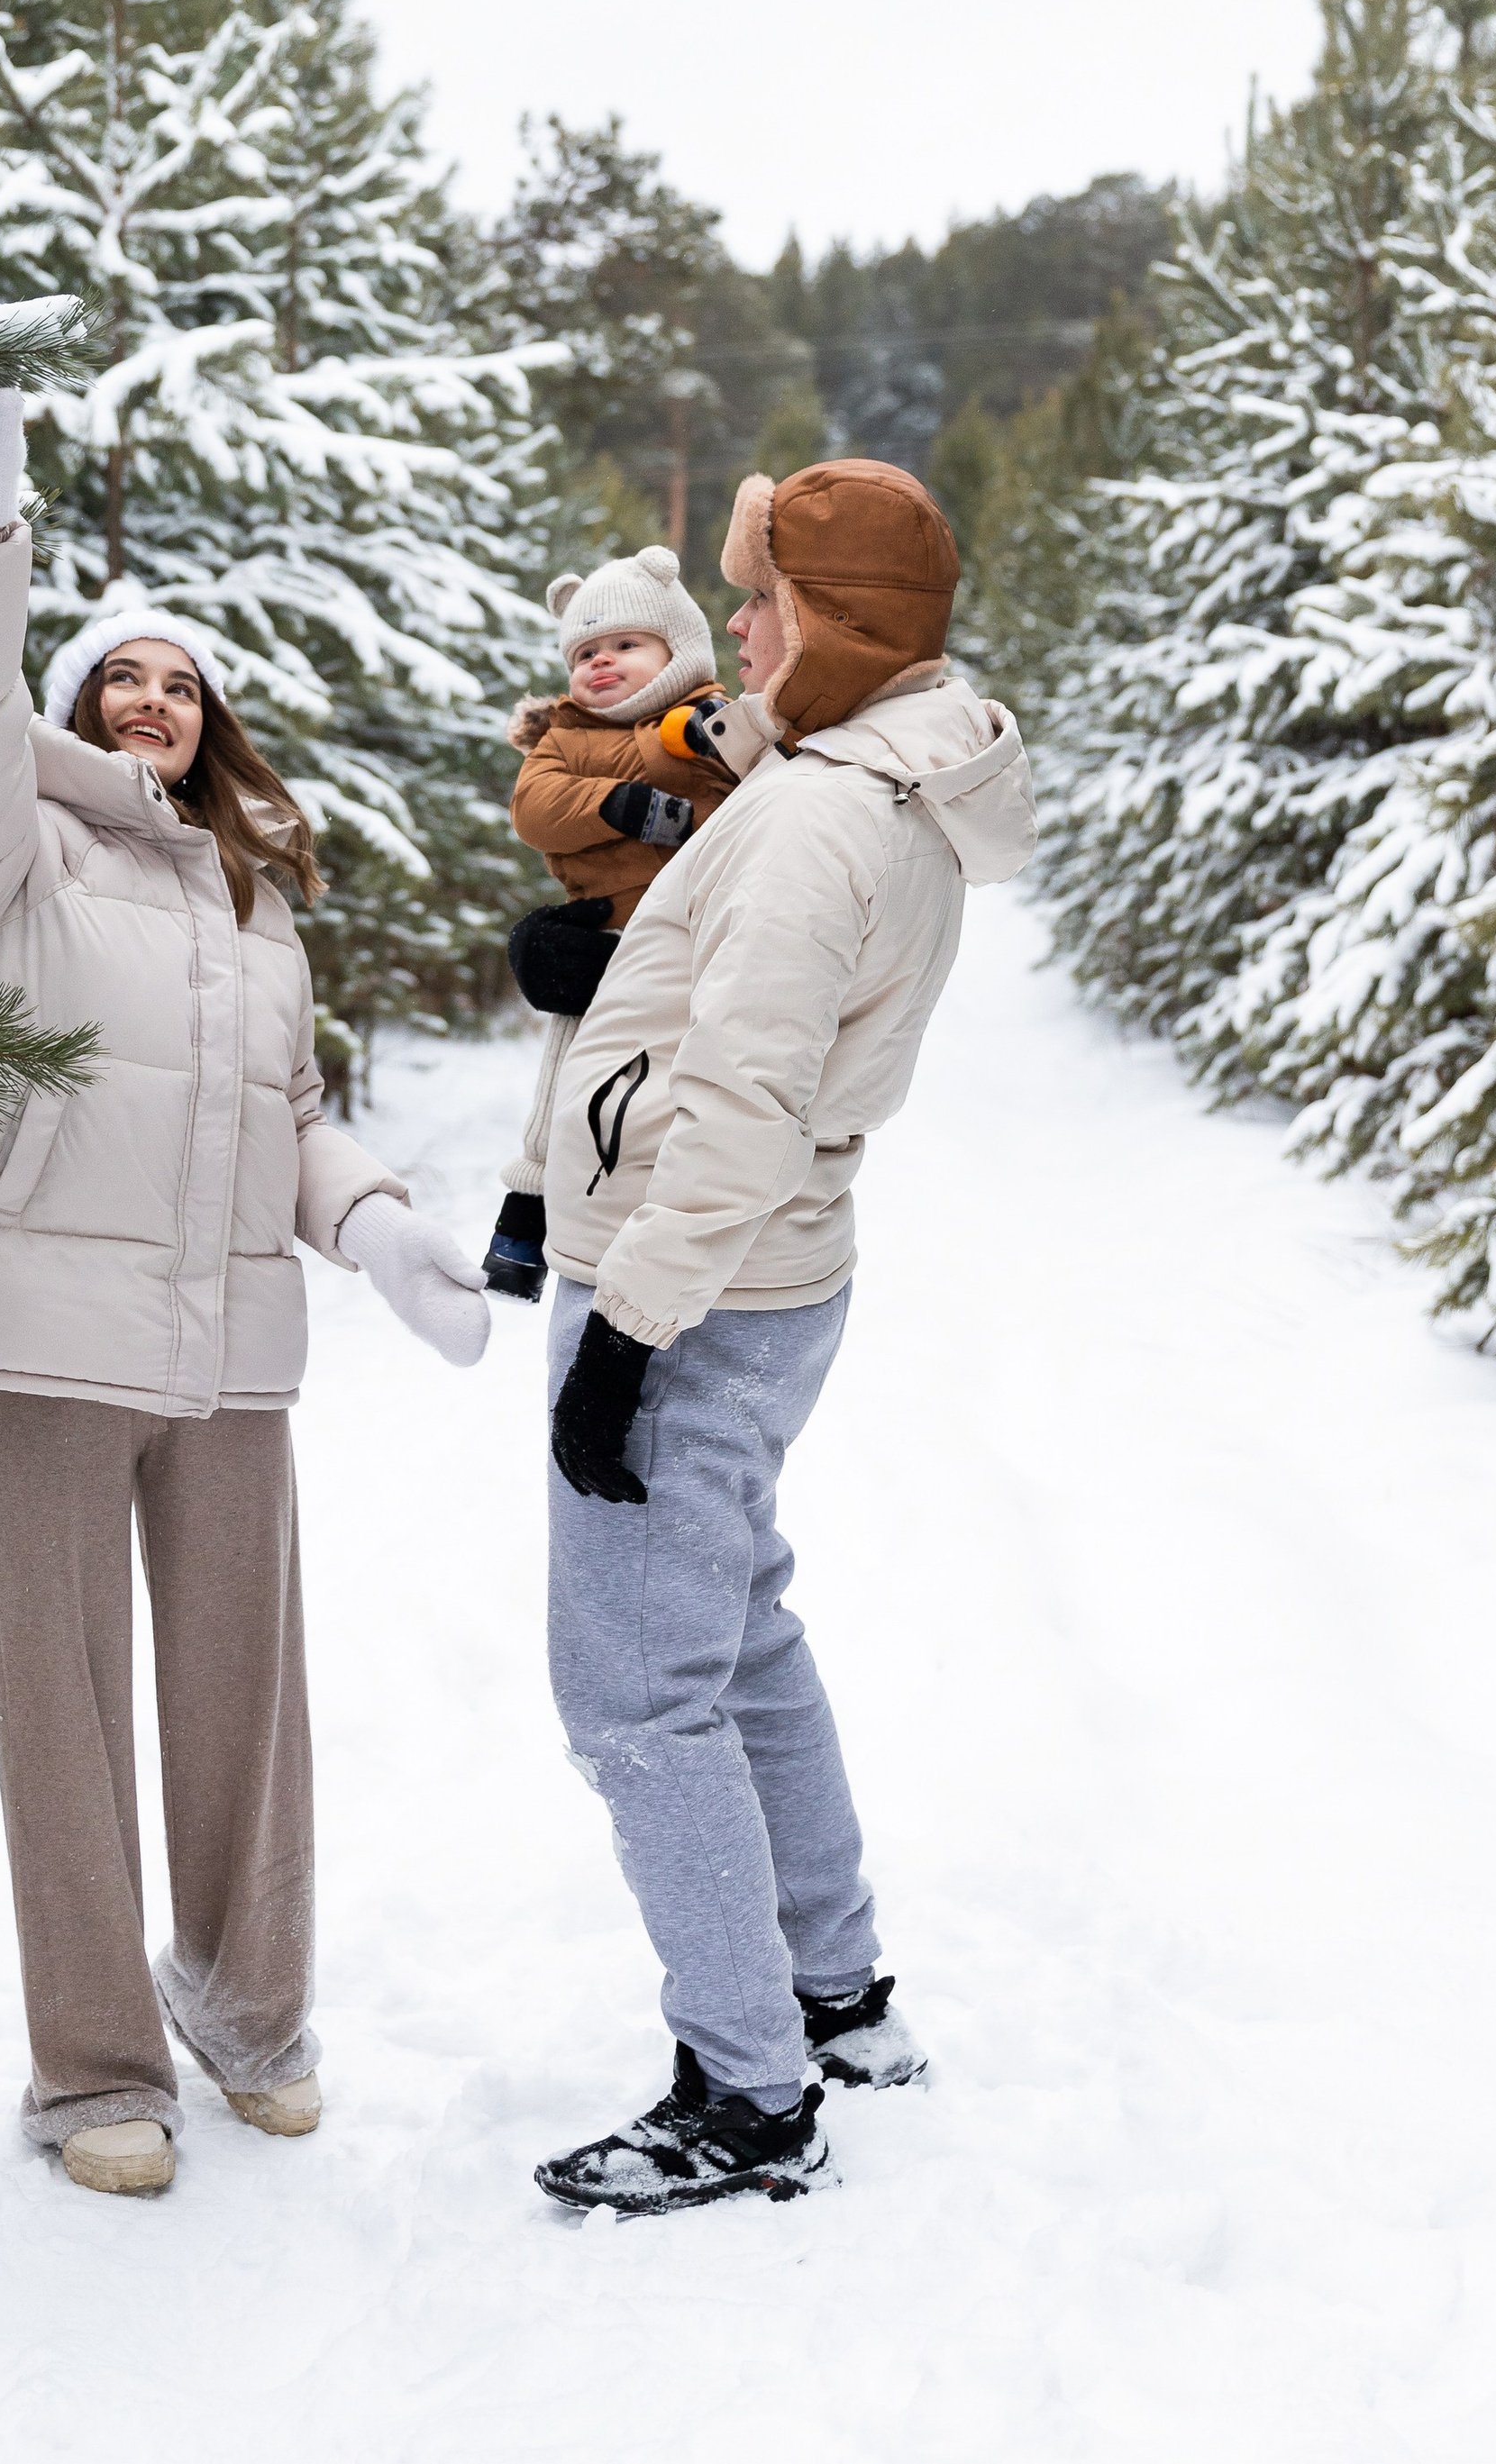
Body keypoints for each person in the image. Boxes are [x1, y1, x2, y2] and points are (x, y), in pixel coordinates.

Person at [0, 387, 488, 2203]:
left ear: (208, 717)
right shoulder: (14, 861)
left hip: (231, 1348)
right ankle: (93, 2070)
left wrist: (375, 1224)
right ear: (73, 711)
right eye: (116, 681)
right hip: (55, 1333)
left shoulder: (250, 901)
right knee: (61, 1702)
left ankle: (245, 2010)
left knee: (248, 1691)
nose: (148, 701)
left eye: (176, 683)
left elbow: (280, 1121)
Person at [529, 459, 1035, 2217]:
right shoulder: (855, 775)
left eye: (758, 604)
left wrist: (624, 1336)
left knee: (636, 1694)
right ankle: (832, 1989)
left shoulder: (827, 817)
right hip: (770, 1276)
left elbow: (737, 1103)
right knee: (733, 1629)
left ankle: (745, 2090)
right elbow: (721, 954)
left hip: (694, 1284)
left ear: (831, 620)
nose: (729, 631)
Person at [482, 546, 739, 1300]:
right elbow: (535, 809)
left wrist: (675, 740)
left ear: (678, 649)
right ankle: (524, 1219)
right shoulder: (561, 735)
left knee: (668, 1092)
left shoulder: (704, 721)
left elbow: (740, 779)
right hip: (597, 940)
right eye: (585, 651)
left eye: (625, 645)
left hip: (690, 946)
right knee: (564, 1079)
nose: (601, 663)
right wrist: (616, 807)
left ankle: (668, 1223)